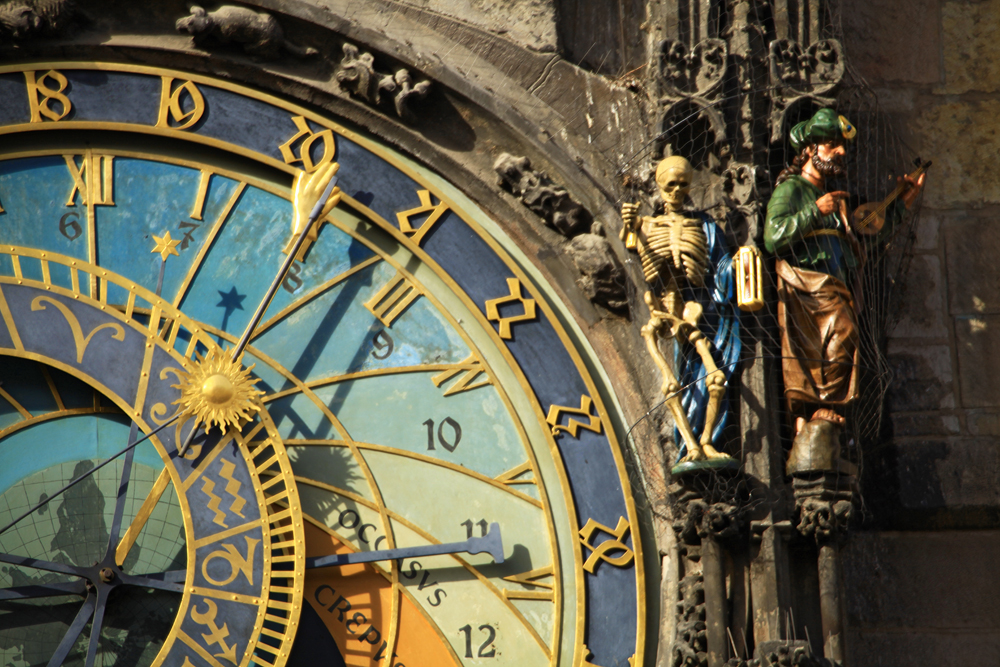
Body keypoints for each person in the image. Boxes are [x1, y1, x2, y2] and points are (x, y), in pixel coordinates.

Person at [765, 108, 925, 443]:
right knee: (823, 343)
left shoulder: (837, 202)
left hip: (836, 286)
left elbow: (865, 240)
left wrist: (899, 205)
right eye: (832, 144)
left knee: (841, 338)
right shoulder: (791, 190)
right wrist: (814, 210)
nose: (840, 151)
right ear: (810, 150)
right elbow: (773, 237)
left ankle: (822, 413)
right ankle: (808, 415)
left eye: (842, 146)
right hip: (804, 284)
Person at [621, 156, 740, 464]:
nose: (676, 192)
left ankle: (705, 442)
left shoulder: (704, 226)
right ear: (659, 187)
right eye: (669, 185)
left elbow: (719, 265)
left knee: (716, 378)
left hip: (694, 310)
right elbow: (632, 240)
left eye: (683, 185)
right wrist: (630, 224)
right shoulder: (647, 224)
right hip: (661, 308)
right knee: (673, 381)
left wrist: (737, 265)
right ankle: (689, 445)